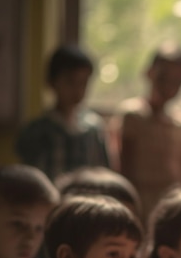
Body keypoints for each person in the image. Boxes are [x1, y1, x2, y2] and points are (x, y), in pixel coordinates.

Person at [111, 42, 181, 227]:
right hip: (140, 202)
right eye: (163, 77)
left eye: (177, 81)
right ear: (149, 73)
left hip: (172, 204)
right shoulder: (132, 116)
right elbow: (125, 167)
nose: (169, 86)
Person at [16, 44, 112, 182]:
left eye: (83, 83)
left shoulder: (94, 129)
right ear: (52, 82)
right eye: (70, 82)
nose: (77, 90)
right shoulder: (36, 131)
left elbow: (104, 173)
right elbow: (28, 178)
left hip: (86, 201)